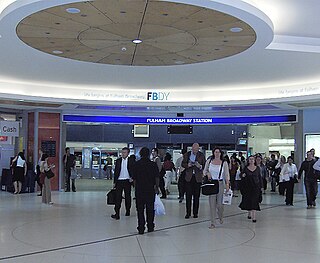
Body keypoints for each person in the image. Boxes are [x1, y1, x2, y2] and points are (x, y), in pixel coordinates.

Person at [132, 147, 160, 234]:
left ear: (140, 154)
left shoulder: (136, 164)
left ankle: (141, 227)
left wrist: (135, 187)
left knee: (140, 209)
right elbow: (157, 177)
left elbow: (134, 178)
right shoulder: (153, 165)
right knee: (150, 208)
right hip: (150, 189)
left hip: (140, 189)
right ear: (149, 154)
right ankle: (150, 225)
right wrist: (157, 187)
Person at [203, 147, 230, 229]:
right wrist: (207, 173)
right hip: (211, 183)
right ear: (213, 153)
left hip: (220, 183)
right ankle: (213, 222)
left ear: (221, 153)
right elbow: (204, 171)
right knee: (212, 204)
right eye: (215, 152)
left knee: (220, 205)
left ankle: (221, 216)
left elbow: (226, 174)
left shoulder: (224, 163)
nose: (217, 153)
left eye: (218, 152)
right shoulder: (209, 161)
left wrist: (227, 184)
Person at [181, 143, 205, 219]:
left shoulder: (201, 155)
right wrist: (188, 165)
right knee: (188, 196)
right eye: (194, 149)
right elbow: (183, 164)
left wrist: (200, 166)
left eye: (197, 149)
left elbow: (205, 165)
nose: (195, 151)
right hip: (189, 178)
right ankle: (188, 213)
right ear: (192, 148)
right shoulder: (187, 155)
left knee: (196, 196)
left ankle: (195, 213)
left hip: (197, 178)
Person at [111, 147, 135, 220]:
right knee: (118, 197)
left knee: (128, 196)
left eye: (124, 152)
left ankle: (128, 210)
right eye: (122, 152)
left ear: (128, 153)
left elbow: (134, 170)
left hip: (127, 181)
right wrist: (114, 182)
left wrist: (132, 178)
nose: (123, 154)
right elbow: (116, 172)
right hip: (119, 181)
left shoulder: (131, 161)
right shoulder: (118, 161)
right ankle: (117, 213)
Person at [239, 155, 263, 222]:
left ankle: (254, 217)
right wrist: (242, 175)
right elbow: (240, 175)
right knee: (249, 200)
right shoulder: (246, 168)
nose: (251, 160)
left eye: (253, 159)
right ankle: (249, 213)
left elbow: (260, 177)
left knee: (254, 201)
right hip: (247, 187)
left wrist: (261, 186)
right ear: (248, 161)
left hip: (256, 187)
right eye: (250, 159)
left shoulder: (257, 168)